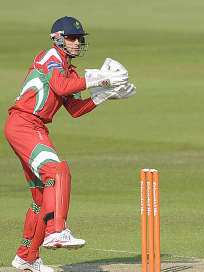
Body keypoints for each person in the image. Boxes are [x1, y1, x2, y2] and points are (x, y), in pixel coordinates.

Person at [4, 16, 135, 272]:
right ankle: (57, 231)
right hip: (24, 124)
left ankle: (26, 257)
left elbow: (75, 108)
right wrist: (99, 80)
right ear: (58, 39)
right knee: (58, 170)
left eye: (80, 38)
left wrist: (105, 95)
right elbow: (59, 85)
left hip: (32, 127)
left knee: (41, 197)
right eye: (73, 37)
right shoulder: (50, 58)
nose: (77, 42)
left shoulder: (69, 70)